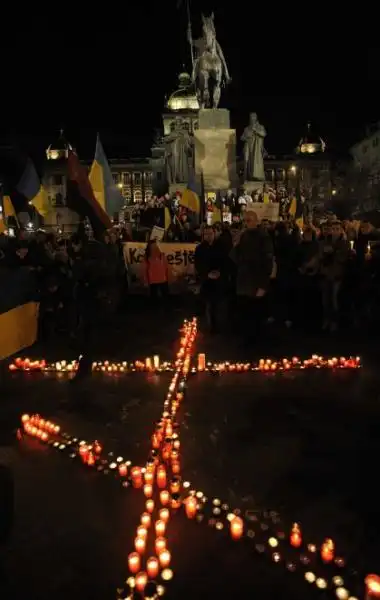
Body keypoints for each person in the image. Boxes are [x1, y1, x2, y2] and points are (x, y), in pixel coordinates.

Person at [230, 211, 273, 346]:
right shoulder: (244, 236)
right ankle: (248, 341)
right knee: (245, 315)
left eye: (249, 220)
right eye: (245, 221)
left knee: (257, 315)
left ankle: (258, 343)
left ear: (256, 221)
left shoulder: (263, 237)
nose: (246, 223)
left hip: (256, 282)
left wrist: (263, 285)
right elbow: (237, 259)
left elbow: (267, 263)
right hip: (244, 282)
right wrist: (235, 246)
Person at [194, 226, 229, 333]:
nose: (208, 236)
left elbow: (226, 262)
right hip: (207, 280)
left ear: (214, 234)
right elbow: (198, 264)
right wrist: (207, 274)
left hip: (219, 280)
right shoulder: (200, 248)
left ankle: (220, 325)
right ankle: (212, 326)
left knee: (219, 304)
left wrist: (220, 272)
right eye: (206, 234)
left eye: (210, 234)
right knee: (209, 304)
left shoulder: (221, 247)